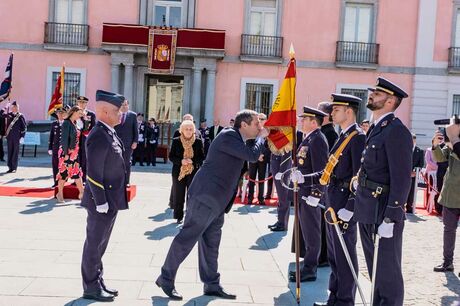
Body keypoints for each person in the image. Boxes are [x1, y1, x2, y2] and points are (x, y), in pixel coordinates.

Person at [155, 109, 267, 301]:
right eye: (257, 123)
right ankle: (166, 278)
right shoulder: (229, 135)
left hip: (217, 200)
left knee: (211, 243)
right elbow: (251, 155)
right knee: (187, 237)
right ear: (244, 125)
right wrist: (262, 139)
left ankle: (211, 284)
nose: (260, 127)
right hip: (206, 196)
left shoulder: (237, 139)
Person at [301, 94, 366, 306]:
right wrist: (307, 180)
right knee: (334, 255)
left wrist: (351, 205)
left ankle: (345, 300)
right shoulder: (343, 135)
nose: (332, 113)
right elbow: (328, 171)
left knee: (345, 254)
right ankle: (334, 297)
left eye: (336, 109)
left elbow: (360, 175)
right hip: (332, 200)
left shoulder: (357, 137)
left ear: (349, 111)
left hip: (343, 203)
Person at [353, 77, 412, 305]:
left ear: (390, 101)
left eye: (377, 94)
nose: (372, 96)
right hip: (368, 206)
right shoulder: (377, 128)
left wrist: (392, 216)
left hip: (383, 210)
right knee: (374, 268)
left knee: (387, 272)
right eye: (373, 93)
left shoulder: (396, 131)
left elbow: (401, 179)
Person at [81, 90, 128, 302]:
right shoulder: (99, 135)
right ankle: (90, 286)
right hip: (102, 201)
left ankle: (97, 280)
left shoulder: (108, 132)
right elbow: (93, 172)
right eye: (118, 111)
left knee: (101, 244)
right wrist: (100, 201)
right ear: (106, 111)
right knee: (94, 243)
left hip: (111, 200)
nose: (121, 115)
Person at [288, 106, 329, 283]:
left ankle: (310, 269)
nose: (300, 121)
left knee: (312, 233)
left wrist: (315, 193)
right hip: (302, 193)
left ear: (314, 122)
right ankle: (307, 265)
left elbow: (322, 171)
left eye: (304, 119)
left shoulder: (318, 140)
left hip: (310, 195)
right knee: (306, 231)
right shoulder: (308, 138)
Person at [432, 122, 460, 273]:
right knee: (449, 230)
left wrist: (454, 142)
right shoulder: (452, 142)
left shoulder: (455, 142)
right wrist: (436, 145)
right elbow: (440, 158)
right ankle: (447, 262)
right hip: (450, 194)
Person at [169, 120, 204, 223]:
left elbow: (202, 157)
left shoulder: (197, 141)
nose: (188, 131)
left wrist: (192, 161)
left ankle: (190, 215)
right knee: (178, 194)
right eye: (186, 129)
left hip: (193, 172)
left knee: (192, 195)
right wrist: (181, 161)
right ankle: (179, 216)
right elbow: (171, 156)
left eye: (190, 129)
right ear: (182, 130)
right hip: (178, 172)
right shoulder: (176, 141)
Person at [317, 101, 338, 267]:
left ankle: (323, 256)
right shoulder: (323, 132)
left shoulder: (329, 134)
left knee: (323, 223)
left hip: (324, 184)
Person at [55, 106, 85, 203]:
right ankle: (60, 194)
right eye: (79, 113)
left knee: (76, 173)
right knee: (64, 174)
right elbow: (64, 140)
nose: (80, 115)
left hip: (74, 153)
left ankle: (82, 194)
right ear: (74, 112)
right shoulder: (66, 123)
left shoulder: (75, 123)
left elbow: (84, 130)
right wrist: (66, 153)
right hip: (67, 153)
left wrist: (85, 118)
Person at [247, 113, 270, 205]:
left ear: (266, 120)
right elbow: (249, 144)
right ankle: (250, 198)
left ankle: (261, 198)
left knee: (261, 178)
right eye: (258, 119)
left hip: (263, 159)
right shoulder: (253, 130)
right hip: (253, 158)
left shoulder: (268, 131)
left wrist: (262, 155)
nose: (260, 120)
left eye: (262, 119)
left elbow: (269, 147)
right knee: (251, 178)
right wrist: (256, 155)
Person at [114, 100, 138, 184]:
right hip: (116, 143)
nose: (124, 106)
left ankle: (126, 181)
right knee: (116, 163)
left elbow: (135, 129)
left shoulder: (132, 115)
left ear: (128, 105)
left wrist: (135, 141)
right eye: (122, 105)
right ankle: (117, 181)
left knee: (127, 162)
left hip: (128, 144)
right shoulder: (116, 114)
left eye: (125, 105)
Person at [268, 151, 292, 231]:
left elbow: (287, 152)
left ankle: (282, 223)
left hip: (281, 168)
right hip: (277, 163)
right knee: (280, 196)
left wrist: (282, 170)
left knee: (283, 197)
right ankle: (280, 220)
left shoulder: (286, 138)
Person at [0, 101, 27, 173]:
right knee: (10, 152)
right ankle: (10, 167)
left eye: (16, 107)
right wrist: (5, 107)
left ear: (18, 108)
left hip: (16, 137)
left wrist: (22, 137)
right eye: (13, 107)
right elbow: (0, 114)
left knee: (15, 152)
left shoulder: (20, 116)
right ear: (11, 107)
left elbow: (24, 127)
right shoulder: (9, 114)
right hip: (9, 137)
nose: (15, 108)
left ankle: (14, 167)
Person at [76, 96, 96, 182]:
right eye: (80, 102)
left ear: (86, 103)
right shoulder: (74, 113)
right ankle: (76, 178)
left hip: (85, 139)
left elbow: (93, 128)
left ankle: (83, 179)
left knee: (84, 159)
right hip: (75, 140)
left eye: (83, 102)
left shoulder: (91, 114)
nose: (81, 104)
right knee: (75, 159)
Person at [406, 134, 424, 213]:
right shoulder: (404, 149)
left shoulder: (419, 151)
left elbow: (421, 164)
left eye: (413, 139)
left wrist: (415, 172)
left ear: (415, 140)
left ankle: (409, 207)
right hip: (404, 174)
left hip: (413, 175)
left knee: (411, 192)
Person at [48, 108, 66, 187]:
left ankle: (63, 182)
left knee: (63, 166)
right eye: (59, 113)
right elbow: (51, 136)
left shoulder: (67, 123)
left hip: (64, 149)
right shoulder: (54, 124)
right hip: (55, 148)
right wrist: (50, 148)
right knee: (55, 165)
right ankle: (56, 182)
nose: (60, 115)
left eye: (62, 113)